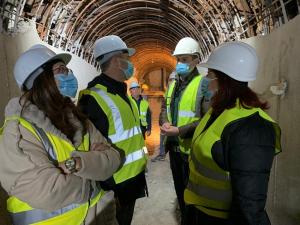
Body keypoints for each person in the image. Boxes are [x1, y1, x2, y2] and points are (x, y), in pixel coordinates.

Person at [0, 45, 122, 225]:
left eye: (67, 70)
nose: (69, 75)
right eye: (60, 70)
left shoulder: (78, 119)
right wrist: (93, 170)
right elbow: (46, 191)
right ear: (41, 80)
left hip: (99, 217)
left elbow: (113, 159)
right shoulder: (19, 130)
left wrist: (76, 164)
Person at [184, 41, 282, 225]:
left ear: (225, 78)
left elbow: (249, 203)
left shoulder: (252, 127)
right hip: (200, 213)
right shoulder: (218, 111)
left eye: (210, 74)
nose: (206, 79)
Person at [78, 35, 148, 225]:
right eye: (127, 58)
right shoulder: (93, 99)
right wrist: (106, 189)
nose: (130, 64)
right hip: (114, 186)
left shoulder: (122, 94)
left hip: (132, 181)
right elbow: (92, 149)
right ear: (117, 60)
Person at [160, 37, 209, 225]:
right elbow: (165, 108)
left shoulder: (202, 85)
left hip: (192, 152)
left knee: (194, 196)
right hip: (174, 149)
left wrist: (179, 131)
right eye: (178, 59)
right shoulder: (173, 84)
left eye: (185, 59)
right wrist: (164, 124)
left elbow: (206, 120)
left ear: (196, 60)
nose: (180, 63)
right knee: (180, 190)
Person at [152, 71, 177, 162]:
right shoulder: (167, 93)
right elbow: (164, 109)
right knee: (162, 137)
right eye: (170, 80)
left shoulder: (178, 93)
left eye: (174, 80)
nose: (172, 82)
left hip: (175, 124)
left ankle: (166, 153)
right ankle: (162, 154)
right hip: (166, 123)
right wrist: (164, 121)